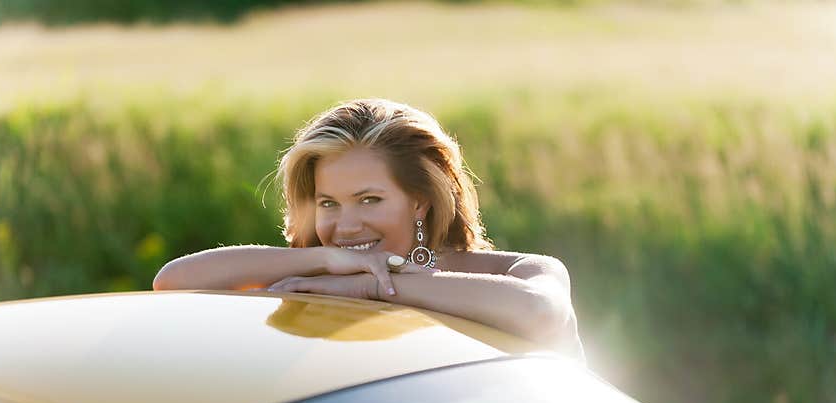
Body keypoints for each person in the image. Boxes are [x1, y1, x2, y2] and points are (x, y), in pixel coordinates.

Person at [152, 98, 584, 359]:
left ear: (421, 201)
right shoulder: (330, 274)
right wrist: (321, 258)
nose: (346, 225)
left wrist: (372, 288)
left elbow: (540, 311)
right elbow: (173, 281)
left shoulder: (518, 272)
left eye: (369, 200)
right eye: (328, 203)